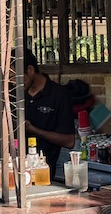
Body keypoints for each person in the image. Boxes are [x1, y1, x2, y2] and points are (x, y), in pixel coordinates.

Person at [17, 48, 75, 177]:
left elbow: (69, 141)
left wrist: (33, 129)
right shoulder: (18, 95)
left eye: (16, 77)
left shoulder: (59, 95)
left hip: (44, 171)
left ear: (30, 70)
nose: (15, 82)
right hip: (18, 167)